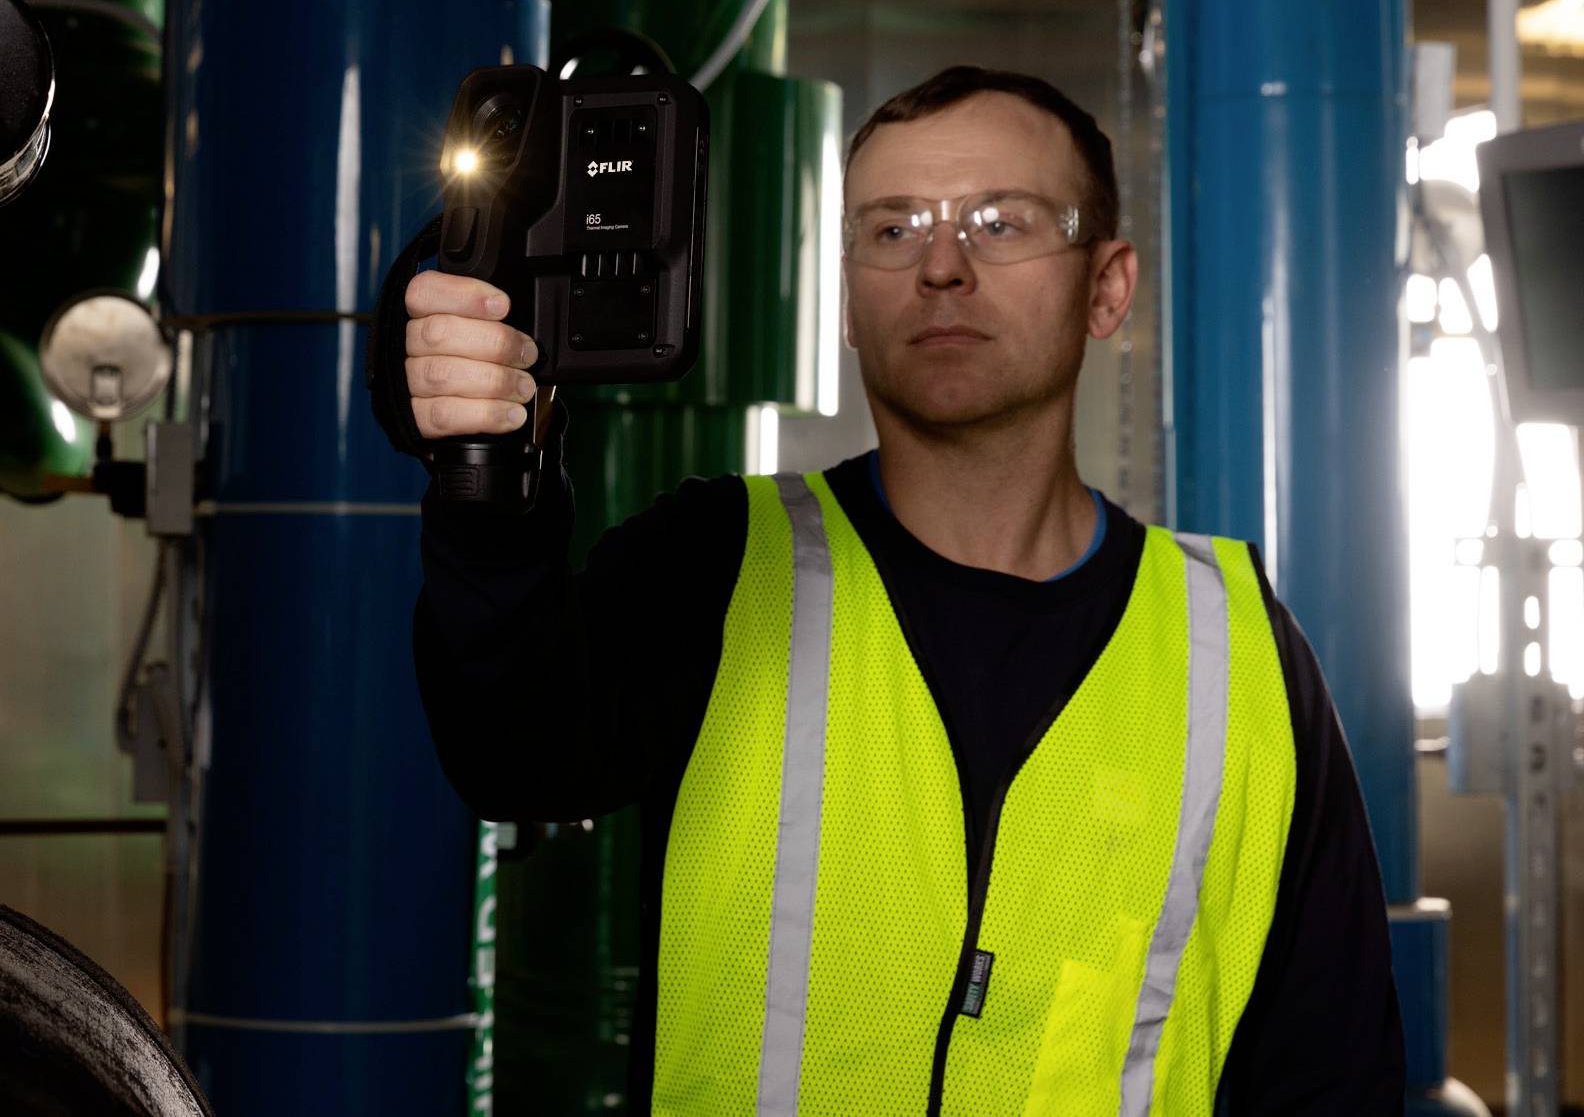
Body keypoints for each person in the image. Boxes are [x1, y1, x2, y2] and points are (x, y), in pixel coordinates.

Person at [397, 65, 1404, 1114]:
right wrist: (487, 478)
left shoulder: (1236, 653)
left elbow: (1331, 1069)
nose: (939, 267)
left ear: (1106, 287)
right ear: (843, 299)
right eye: (889, 230)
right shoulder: (718, 562)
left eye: (1000, 222)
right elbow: (508, 748)